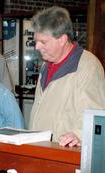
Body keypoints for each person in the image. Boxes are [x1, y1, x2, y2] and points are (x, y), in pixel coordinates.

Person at [29, 6, 105, 147]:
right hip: (39, 152)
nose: (37, 47)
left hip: (65, 155)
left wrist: (79, 134)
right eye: (36, 41)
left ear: (62, 39)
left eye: (43, 42)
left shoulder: (88, 66)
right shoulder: (46, 65)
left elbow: (96, 116)